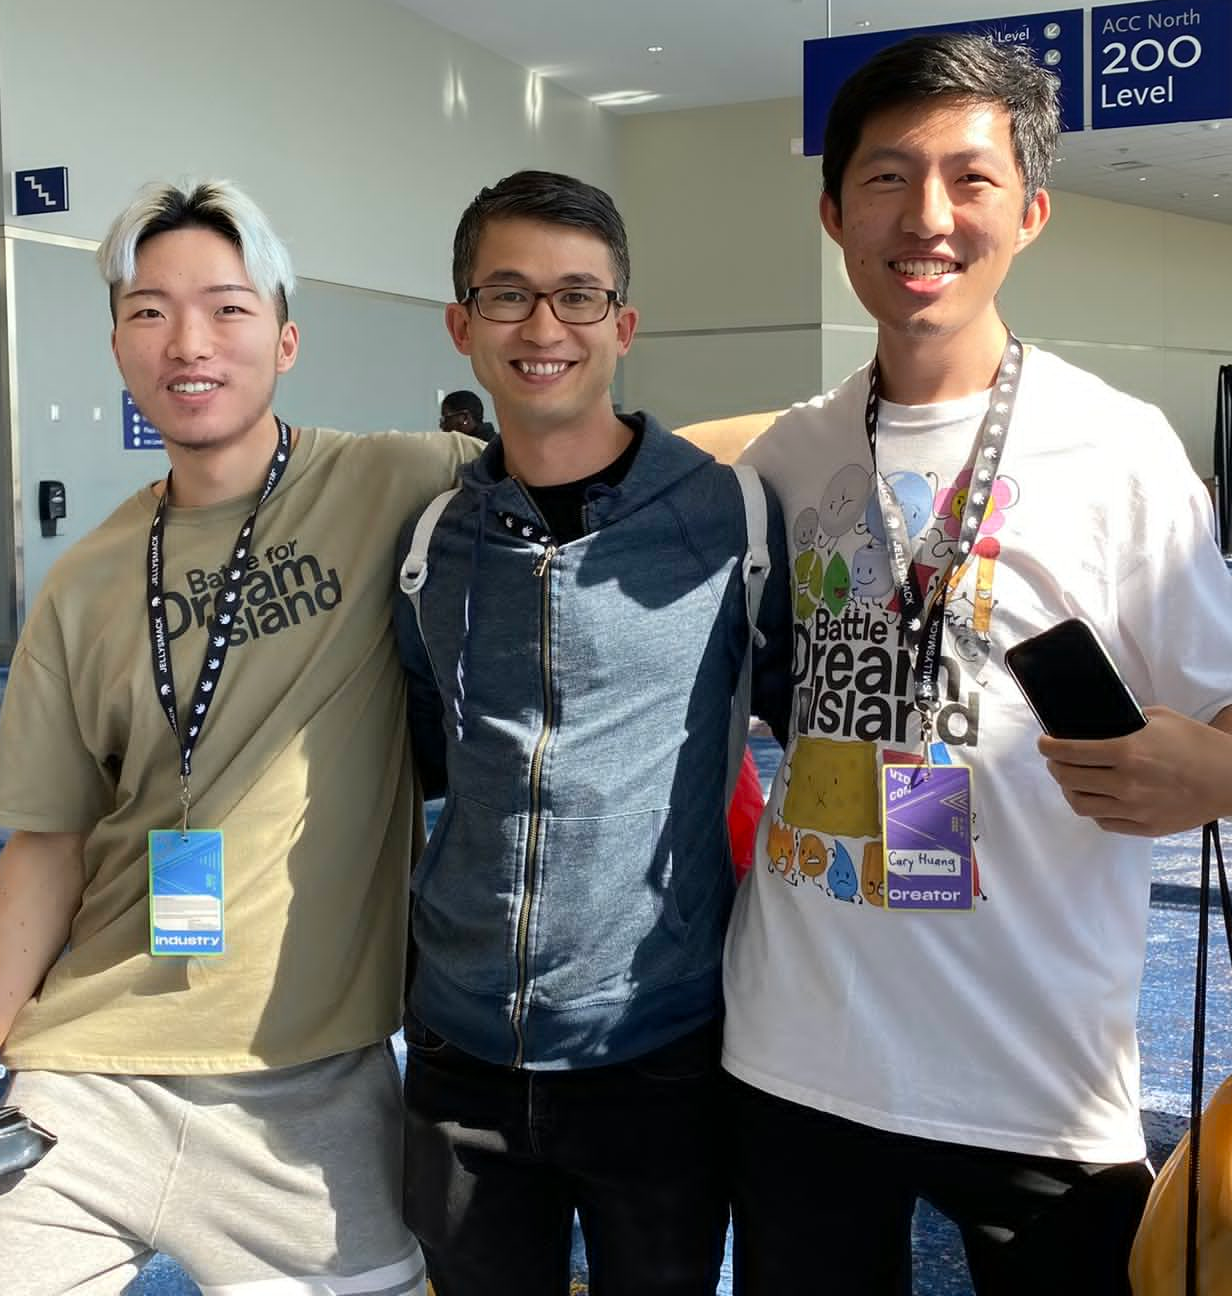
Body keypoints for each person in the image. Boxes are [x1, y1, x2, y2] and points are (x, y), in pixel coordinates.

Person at [723, 35, 1232, 1296]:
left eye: (968, 180)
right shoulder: (791, 453)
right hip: (796, 1048)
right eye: (886, 179)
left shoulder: (1119, 449)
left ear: (1029, 212)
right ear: (832, 212)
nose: (926, 216)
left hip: (1037, 1068)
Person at [0, 179, 475, 1295]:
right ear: (116, 342)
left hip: (311, 1102)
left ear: (287, 338)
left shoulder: (396, 480)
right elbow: (48, 842)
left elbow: (617, 466)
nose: (188, 342)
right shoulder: (86, 581)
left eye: (227, 308)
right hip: (87, 1081)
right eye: (149, 310)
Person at [390, 169, 792, 1296]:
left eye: (578, 296)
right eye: (508, 296)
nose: (544, 327)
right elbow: (430, 756)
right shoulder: (432, 541)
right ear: (463, 325)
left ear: (624, 322)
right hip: (462, 1051)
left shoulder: (727, 519)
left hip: (659, 1046)